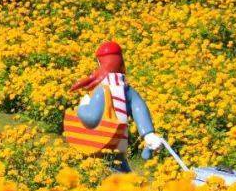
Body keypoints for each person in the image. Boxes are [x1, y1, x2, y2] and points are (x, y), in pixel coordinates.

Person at [71, 41, 167, 172]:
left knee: (105, 172)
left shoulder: (101, 90)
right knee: (120, 168)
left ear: (100, 64)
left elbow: (91, 118)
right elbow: (139, 108)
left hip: (100, 142)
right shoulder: (126, 89)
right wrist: (148, 134)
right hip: (120, 143)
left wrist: (84, 104)